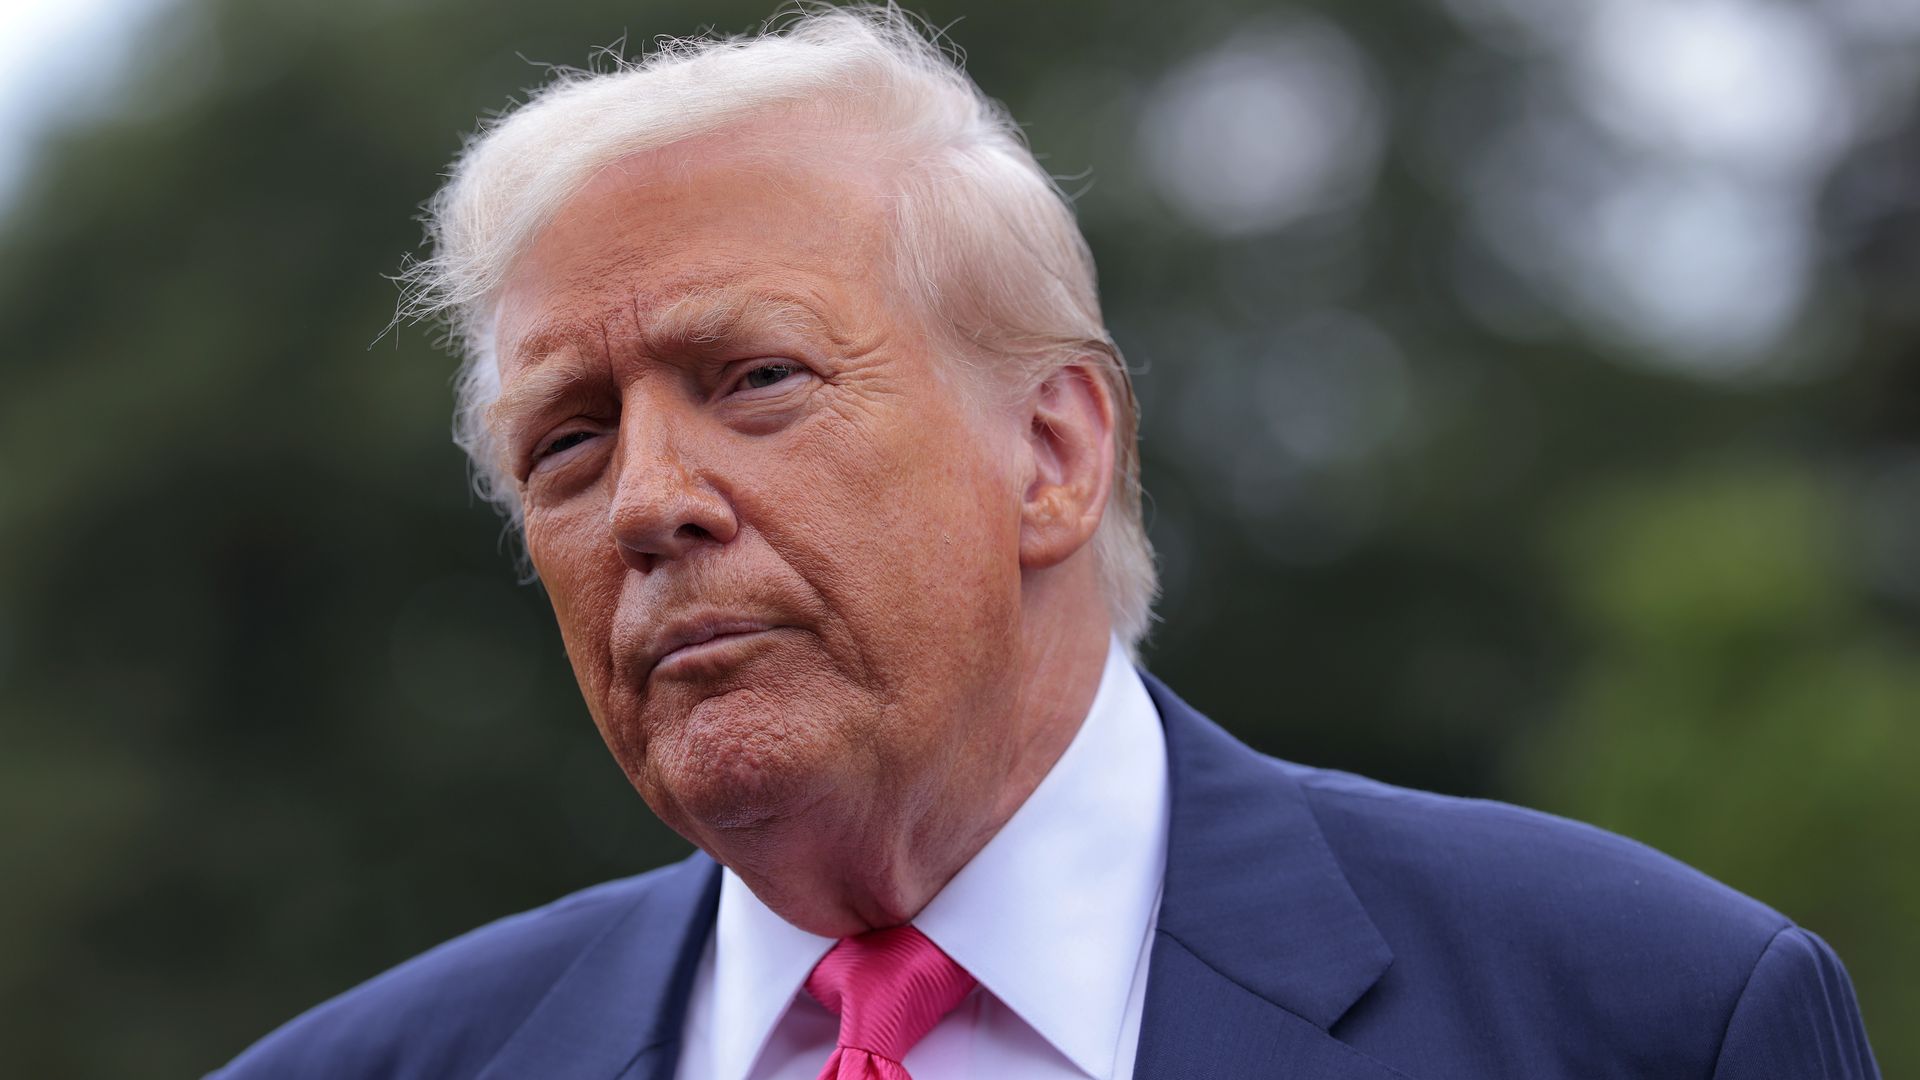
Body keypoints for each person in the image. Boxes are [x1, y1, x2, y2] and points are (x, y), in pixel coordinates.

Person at [213, 7, 1879, 1078]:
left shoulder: (1642, 1018)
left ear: (1056, 452)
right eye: (567, 441)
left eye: (758, 379)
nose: (650, 499)